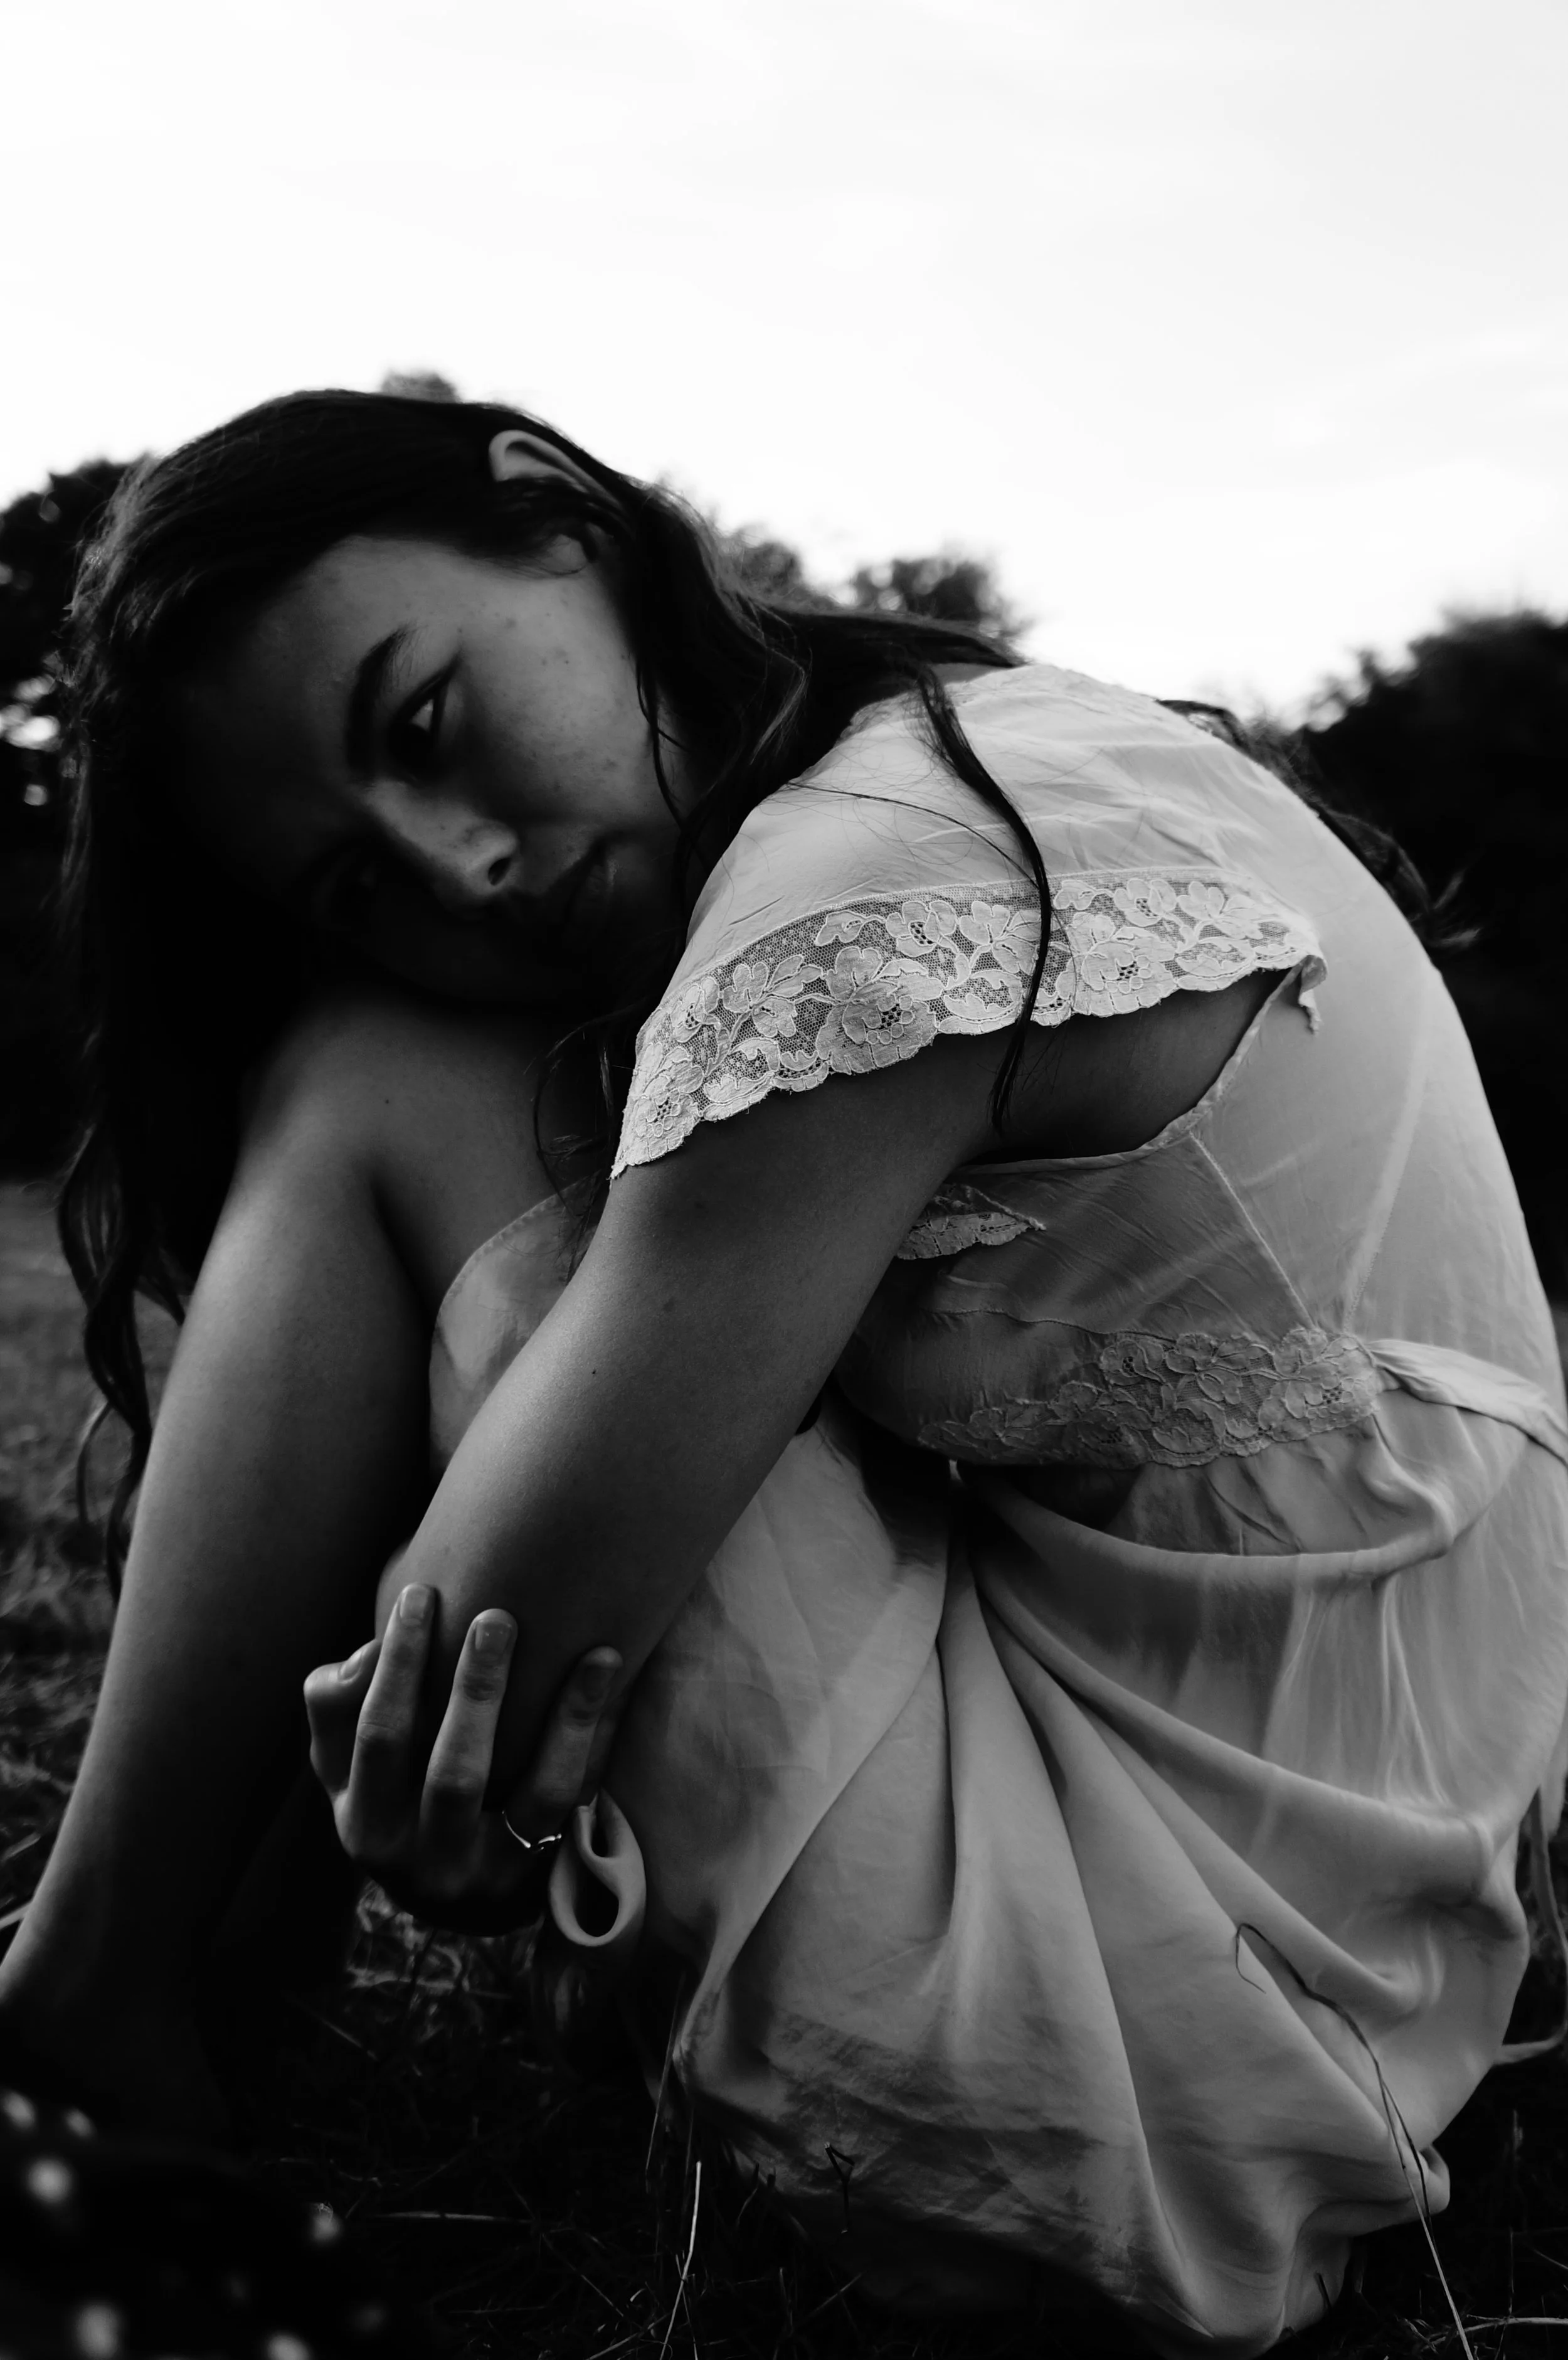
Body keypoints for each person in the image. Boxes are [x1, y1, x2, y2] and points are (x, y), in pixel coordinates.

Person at [0, 389, 1564, 2359]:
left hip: (1126, 2060)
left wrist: (390, 1769)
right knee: (421, 1060)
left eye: (422, 725)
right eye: (358, 879)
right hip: (1344, 1989)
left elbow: (468, 1677)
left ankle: (104, 1985)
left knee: (371, 1069)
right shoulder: (990, 748)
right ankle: (177, 1969)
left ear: (553, 515)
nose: (460, 863)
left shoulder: (870, 888)